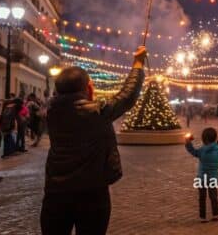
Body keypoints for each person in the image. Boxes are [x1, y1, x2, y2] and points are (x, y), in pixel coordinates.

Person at [41, 46, 146, 235]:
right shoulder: (94, 112)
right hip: (92, 192)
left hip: (55, 192)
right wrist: (138, 63)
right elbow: (127, 97)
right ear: (88, 87)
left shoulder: (51, 112)